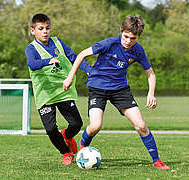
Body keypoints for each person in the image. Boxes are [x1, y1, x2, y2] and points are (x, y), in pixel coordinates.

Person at [63, 15, 169, 169]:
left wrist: (151, 93)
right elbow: (82, 55)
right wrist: (70, 77)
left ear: (138, 37)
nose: (128, 41)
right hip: (97, 87)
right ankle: (84, 144)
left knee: (140, 125)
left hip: (120, 90)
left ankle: (156, 160)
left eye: (133, 38)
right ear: (121, 32)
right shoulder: (109, 43)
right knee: (96, 126)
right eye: (125, 36)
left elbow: (150, 73)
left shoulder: (138, 51)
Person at [25, 14, 92, 165]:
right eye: (41, 29)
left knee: (76, 124)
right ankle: (66, 152)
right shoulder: (31, 49)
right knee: (50, 129)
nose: (45, 32)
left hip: (63, 90)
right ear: (32, 31)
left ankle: (67, 136)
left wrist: (89, 70)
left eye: (47, 28)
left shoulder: (57, 42)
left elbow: (74, 57)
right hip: (45, 94)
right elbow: (32, 64)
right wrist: (48, 61)